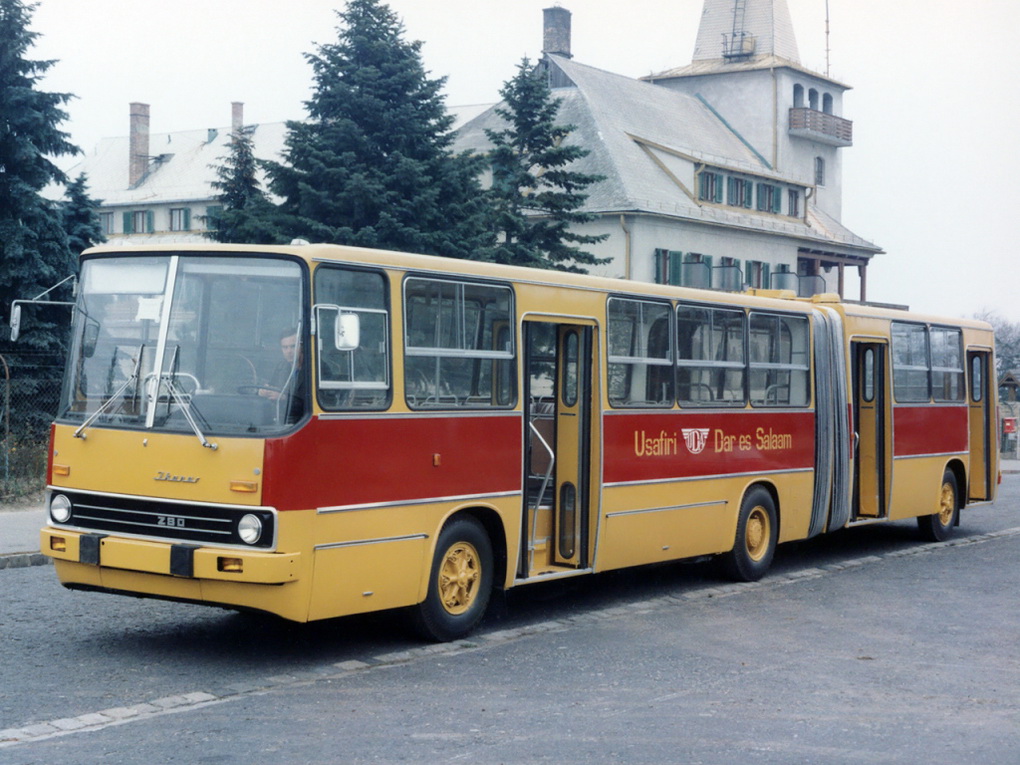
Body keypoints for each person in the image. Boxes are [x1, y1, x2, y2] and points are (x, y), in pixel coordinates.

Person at [259, 328, 305, 422]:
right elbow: (272, 387)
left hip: (302, 422)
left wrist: (284, 398)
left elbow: (316, 405)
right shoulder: (281, 367)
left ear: (302, 346)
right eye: (285, 347)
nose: (289, 351)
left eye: (293, 346)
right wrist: (263, 391)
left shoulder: (318, 368)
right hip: (281, 419)